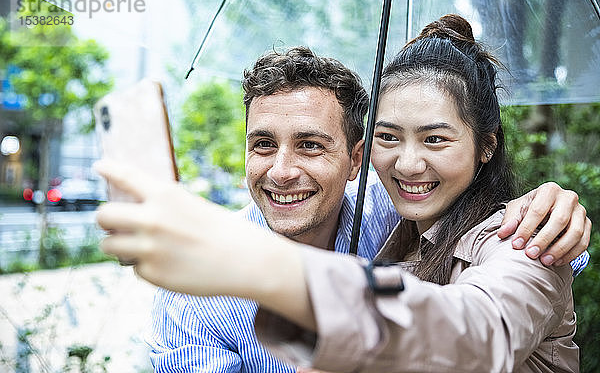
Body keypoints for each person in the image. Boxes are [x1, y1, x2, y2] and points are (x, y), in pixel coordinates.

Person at [96, 29, 591, 373]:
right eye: (263, 144)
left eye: (311, 145)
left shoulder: (518, 234)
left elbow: (483, 327)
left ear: (353, 161)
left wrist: (260, 267)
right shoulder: (403, 221)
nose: (409, 164)